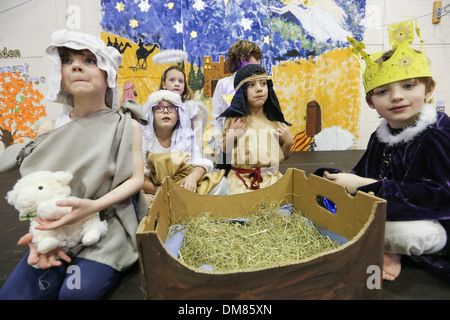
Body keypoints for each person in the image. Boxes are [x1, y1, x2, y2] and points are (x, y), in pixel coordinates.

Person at [0, 29, 147, 299]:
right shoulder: (49, 128)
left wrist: (92, 207)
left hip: (105, 224)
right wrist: (38, 233)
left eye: (90, 60)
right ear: (61, 75)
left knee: (75, 295)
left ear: (108, 75)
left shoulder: (126, 124)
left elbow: (136, 180)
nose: (77, 66)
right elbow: (38, 189)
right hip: (58, 229)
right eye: (68, 60)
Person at [321, 20, 450, 282]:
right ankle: (380, 246)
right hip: (388, 211)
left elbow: (442, 198)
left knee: (406, 233)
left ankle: (386, 249)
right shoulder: (380, 136)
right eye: (383, 91)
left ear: (429, 89)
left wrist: (369, 186)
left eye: (409, 86)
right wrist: (336, 178)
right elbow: (362, 172)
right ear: (371, 101)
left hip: (434, 224)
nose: (397, 97)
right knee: (331, 210)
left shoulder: (437, 134)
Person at [219, 64, 293, 195]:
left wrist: (288, 143)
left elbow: (281, 157)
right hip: (241, 182)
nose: (259, 89)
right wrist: (232, 136)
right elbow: (224, 152)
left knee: (282, 210)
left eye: (263, 83)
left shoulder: (274, 122)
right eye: (251, 85)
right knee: (241, 212)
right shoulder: (235, 121)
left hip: (271, 181)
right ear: (242, 91)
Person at [141, 90, 227, 197]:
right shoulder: (142, 137)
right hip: (155, 189)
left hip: (184, 186)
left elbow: (199, 162)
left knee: (222, 183)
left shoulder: (186, 136)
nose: (165, 111)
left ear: (178, 115)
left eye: (172, 108)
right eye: (159, 108)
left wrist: (192, 178)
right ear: (151, 114)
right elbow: (138, 176)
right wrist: (165, 191)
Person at [210, 40, 262, 172]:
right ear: (243, 59)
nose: (259, 63)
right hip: (228, 147)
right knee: (226, 183)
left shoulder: (261, 86)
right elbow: (217, 120)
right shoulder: (223, 85)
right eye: (255, 59)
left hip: (253, 149)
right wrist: (218, 145)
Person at [159, 65, 208, 149]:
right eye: (172, 80)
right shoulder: (158, 107)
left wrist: (197, 150)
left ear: (184, 86)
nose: (177, 84)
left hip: (186, 149)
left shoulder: (189, 106)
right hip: (164, 147)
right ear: (164, 85)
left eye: (180, 81)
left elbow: (197, 129)